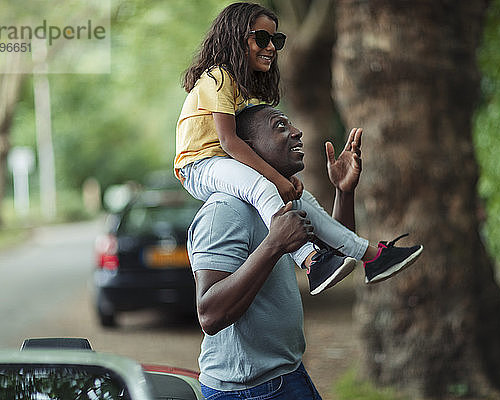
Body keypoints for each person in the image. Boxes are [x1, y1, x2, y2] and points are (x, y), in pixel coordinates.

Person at [175, 2, 421, 294]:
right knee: (264, 188)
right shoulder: (219, 77)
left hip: (223, 162)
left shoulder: (239, 86)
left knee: (303, 201)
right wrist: (276, 178)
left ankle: (372, 257)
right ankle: (311, 261)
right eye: (262, 39)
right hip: (199, 165)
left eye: (276, 41)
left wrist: (282, 178)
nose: (271, 48)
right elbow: (229, 141)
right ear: (236, 38)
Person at [188, 105, 423, 399]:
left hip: (288, 373)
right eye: (279, 126)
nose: (297, 132)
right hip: (248, 390)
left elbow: (332, 263)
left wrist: (344, 191)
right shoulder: (225, 211)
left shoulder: (282, 200)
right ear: (246, 148)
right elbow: (209, 314)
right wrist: (275, 244)